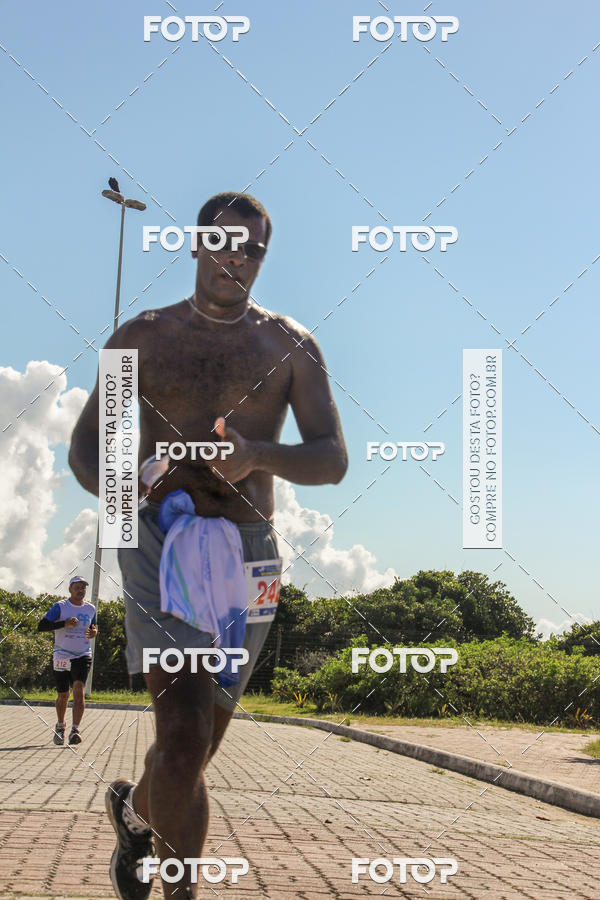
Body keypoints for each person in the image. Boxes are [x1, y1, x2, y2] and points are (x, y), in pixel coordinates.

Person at [68, 191, 348, 900]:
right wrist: (126, 490)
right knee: (185, 736)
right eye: (224, 243)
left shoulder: (288, 347)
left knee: (190, 753)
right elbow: (87, 450)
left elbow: (331, 458)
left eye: (253, 248)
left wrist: (259, 455)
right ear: (195, 244)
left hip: (251, 553)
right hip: (161, 542)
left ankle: (135, 815)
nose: (237, 258)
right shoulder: (144, 338)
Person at [37, 575, 98, 745]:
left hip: (82, 654)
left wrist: (94, 632)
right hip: (62, 655)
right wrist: (64, 624)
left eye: (83, 587)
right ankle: (60, 726)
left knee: (78, 690)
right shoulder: (60, 607)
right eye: (77, 587)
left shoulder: (90, 608)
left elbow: (93, 627)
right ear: (70, 589)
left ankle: (75, 730)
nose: (81, 590)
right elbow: (41, 626)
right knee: (63, 694)